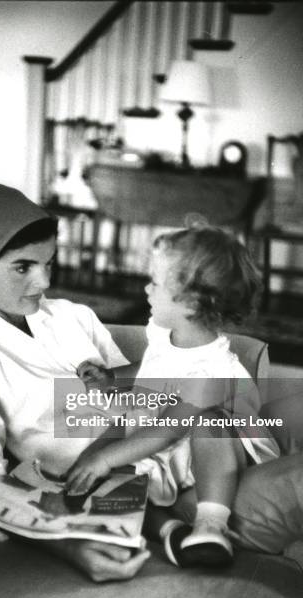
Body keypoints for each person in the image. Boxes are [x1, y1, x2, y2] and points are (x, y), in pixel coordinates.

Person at [0, 181, 150, 582]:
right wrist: (67, 545)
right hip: (124, 487)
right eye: (23, 267)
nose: (43, 283)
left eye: (48, 263)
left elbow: (143, 397)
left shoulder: (75, 316)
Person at [66, 226, 280, 568]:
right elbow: (153, 366)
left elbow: (166, 429)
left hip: (217, 453)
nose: (146, 288)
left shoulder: (212, 372)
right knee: (103, 477)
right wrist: (112, 379)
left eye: (156, 282)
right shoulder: (164, 331)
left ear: (190, 303)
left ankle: (211, 524)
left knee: (208, 423)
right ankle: (171, 531)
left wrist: (105, 457)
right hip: (169, 448)